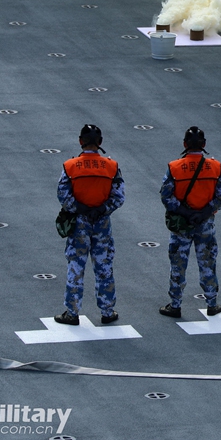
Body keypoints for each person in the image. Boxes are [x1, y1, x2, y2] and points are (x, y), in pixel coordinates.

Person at [55, 124, 125, 325]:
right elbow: (119, 197)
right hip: (102, 223)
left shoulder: (70, 166)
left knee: (76, 266)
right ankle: (107, 311)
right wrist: (101, 210)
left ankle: (72, 312)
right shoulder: (111, 166)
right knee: (104, 265)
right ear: (100, 142)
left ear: (80, 141)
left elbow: (63, 195)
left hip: (79, 222)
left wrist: (81, 209)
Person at [159, 126, 221, 318]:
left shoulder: (175, 167)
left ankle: (175, 304)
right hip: (205, 224)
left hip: (182, 224)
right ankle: (212, 303)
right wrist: (204, 212)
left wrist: (185, 212)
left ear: (185, 144)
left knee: (178, 264)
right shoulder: (215, 167)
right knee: (207, 262)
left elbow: (166, 196)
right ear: (204, 145)